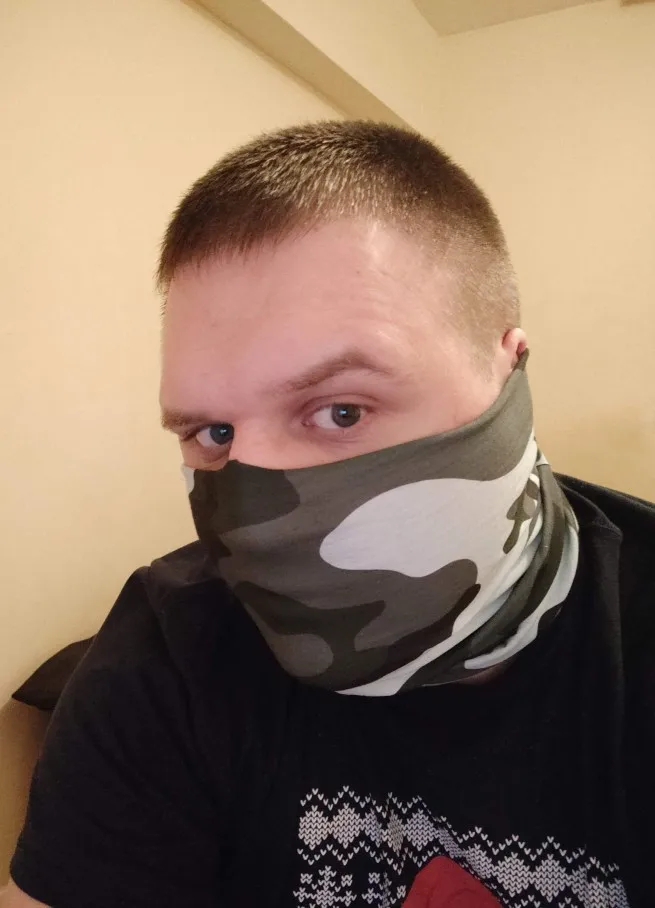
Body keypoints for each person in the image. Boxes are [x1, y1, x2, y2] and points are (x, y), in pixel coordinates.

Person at [3, 121, 654, 908]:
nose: (256, 507)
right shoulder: (169, 652)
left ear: (506, 368)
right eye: (212, 434)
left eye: (341, 411)